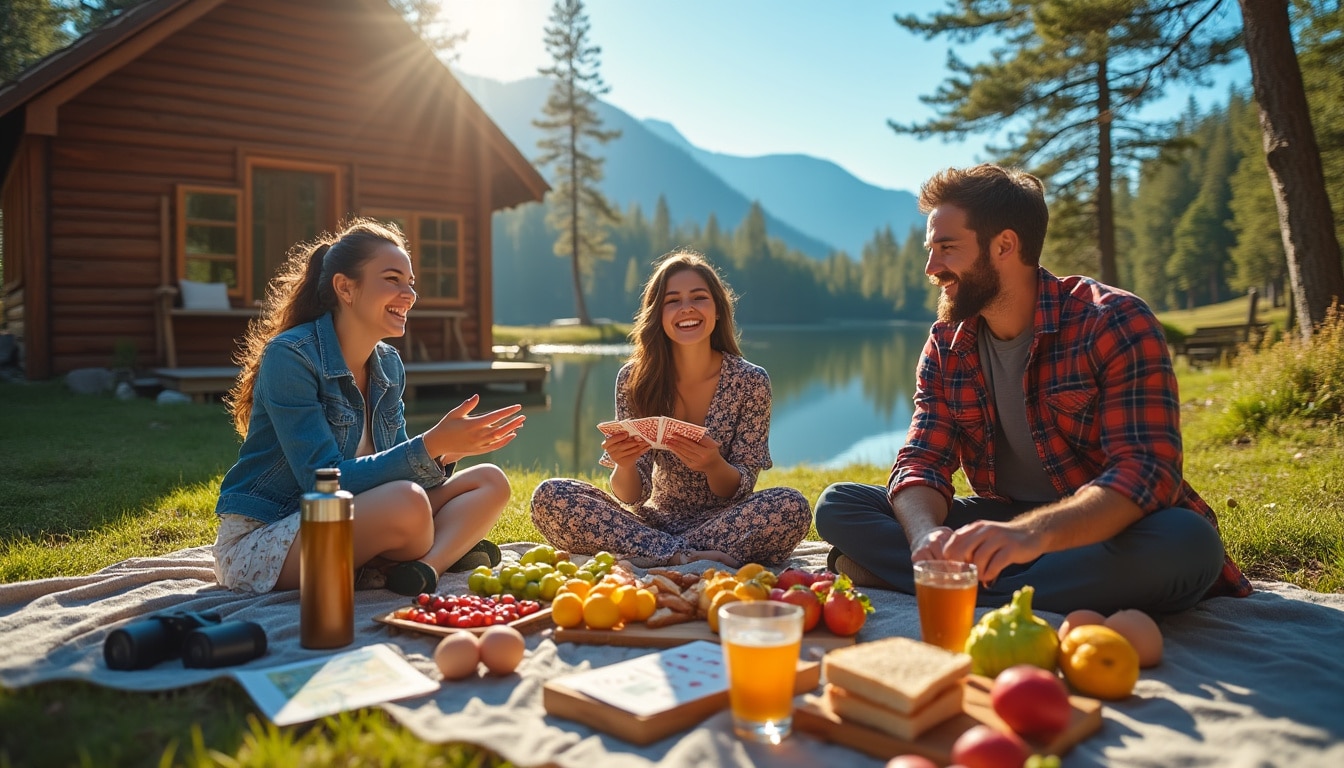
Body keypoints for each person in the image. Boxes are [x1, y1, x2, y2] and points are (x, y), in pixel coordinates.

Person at [815, 164, 1251, 615]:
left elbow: (1146, 474)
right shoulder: (946, 342)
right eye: (931, 249)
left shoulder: (1113, 320)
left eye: (947, 248)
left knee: (1189, 543)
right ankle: (989, 580)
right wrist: (926, 536)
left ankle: (940, 581)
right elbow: (922, 460)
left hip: (1105, 528)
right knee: (840, 504)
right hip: (1008, 520)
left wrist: (1031, 536)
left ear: (1004, 245)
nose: (931, 267)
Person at [212, 219, 525, 597]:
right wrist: (425, 447)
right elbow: (321, 481)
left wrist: (442, 453)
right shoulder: (291, 357)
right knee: (408, 508)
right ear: (345, 287)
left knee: (490, 481)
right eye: (392, 279)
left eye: (410, 282)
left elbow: (397, 471)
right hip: (273, 534)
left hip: (361, 516)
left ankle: (425, 568)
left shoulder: (388, 364)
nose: (408, 293)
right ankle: (412, 555)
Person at [530, 250, 811, 568]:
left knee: (791, 506)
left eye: (699, 297)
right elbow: (632, 495)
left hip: (726, 522)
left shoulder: (751, 381)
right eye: (672, 300)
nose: (687, 308)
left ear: (717, 309)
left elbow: (739, 487)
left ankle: (657, 554)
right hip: (649, 523)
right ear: (658, 314)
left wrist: (714, 464)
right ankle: (686, 555)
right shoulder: (634, 379)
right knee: (551, 496)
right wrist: (624, 465)